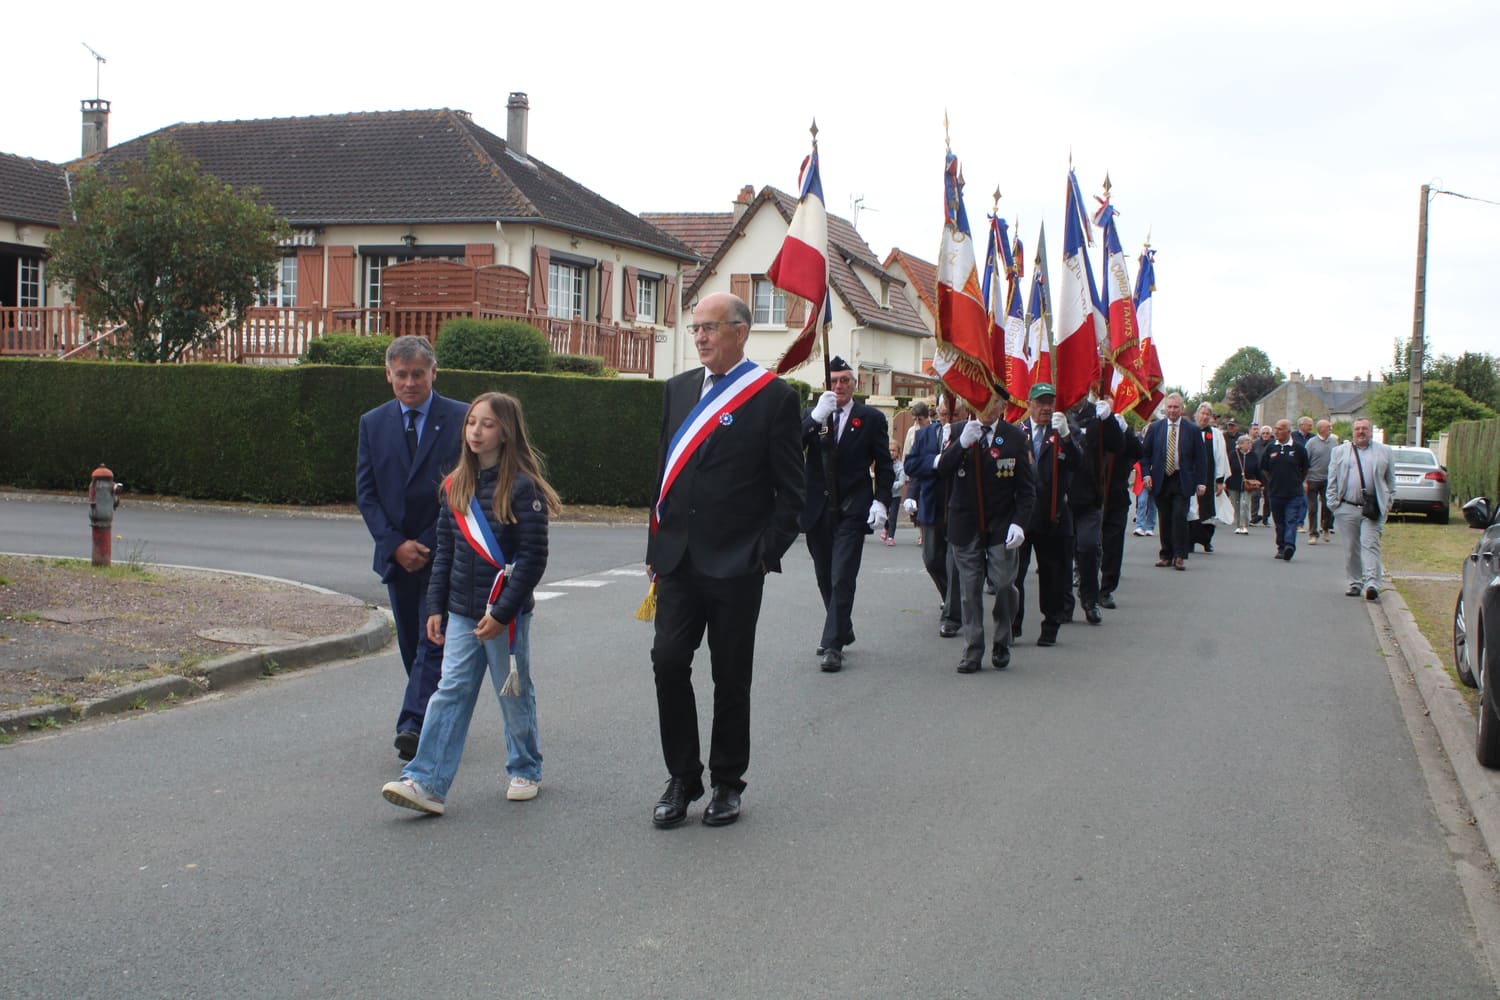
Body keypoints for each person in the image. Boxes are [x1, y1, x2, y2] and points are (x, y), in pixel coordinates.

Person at [646, 292, 803, 828]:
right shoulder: (678, 390)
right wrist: (655, 546)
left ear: (740, 331)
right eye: (695, 329)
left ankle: (727, 781)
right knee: (667, 661)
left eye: (711, 328)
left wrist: (765, 554)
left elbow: (793, 492)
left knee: (730, 677)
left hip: (738, 565)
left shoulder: (773, 396)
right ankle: (682, 776)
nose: (701, 338)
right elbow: (664, 475)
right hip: (677, 562)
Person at [381, 392, 559, 816]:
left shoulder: (523, 489)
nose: (476, 431)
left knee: (511, 691)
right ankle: (426, 781)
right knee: (450, 691)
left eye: (488, 424)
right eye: (471, 423)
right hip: (461, 610)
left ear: (506, 432)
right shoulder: (453, 485)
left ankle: (525, 768)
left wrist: (502, 614)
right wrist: (435, 606)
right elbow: (445, 551)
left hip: (504, 615)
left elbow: (533, 558)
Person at [356, 335, 469, 761]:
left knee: (432, 638)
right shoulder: (372, 423)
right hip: (396, 557)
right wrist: (394, 545)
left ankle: (413, 723)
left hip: (443, 552)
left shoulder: (460, 419)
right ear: (388, 375)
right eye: (400, 375)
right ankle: (431, 712)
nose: (409, 383)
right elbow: (366, 494)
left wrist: (424, 542)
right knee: (410, 643)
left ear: (433, 373)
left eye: (417, 374)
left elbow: (463, 488)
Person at [800, 356, 894, 672]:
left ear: (855, 385)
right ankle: (841, 627)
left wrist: (882, 502)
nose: (839, 386)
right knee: (825, 576)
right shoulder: (815, 414)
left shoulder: (870, 419)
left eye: (845, 381)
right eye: (834, 380)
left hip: (853, 508)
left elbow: (883, 465)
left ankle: (833, 645)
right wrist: (815, 417)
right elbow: (791, 445)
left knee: (842, 577)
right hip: (817, 509)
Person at [938, 391, 1035, 672]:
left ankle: (1002, 639)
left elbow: (1027, 489)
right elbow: (942, 469)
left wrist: (1020, 522)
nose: (989, 408)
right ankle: (972, 649)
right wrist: (961, 444)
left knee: (1004, 584)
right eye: (983, 402)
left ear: (1004, 406)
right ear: (971, 403)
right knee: (969, 592)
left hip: (1001, 526)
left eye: (995, 403)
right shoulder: (958, 431)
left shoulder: (1015, 437)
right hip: (965, 524)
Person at [1014, 383, 1079, 646]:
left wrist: (1066, 438)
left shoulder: (1064, 432)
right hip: (1022, 516)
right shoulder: (1017, 433)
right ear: (1029, 403)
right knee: (1014, 576)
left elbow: (1078, 463)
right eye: (1040, 402)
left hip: (1054, 516)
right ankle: (1013, 624)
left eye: (1050, 402)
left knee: (1052, 577)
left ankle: (1050, 626)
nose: (1046, 407)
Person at [903, 396, 963, 637]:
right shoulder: (926, 435)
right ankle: (953, 597)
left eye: (954, 414)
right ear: (936, 412)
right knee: (931, 559)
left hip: (959, 507)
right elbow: (912, 465)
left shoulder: (968, 434)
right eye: (944, 414)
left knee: (954, 561)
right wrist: (936, 461)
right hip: (932, 506)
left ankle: (952, 615)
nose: (948, 419)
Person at [1065, 397, 1124, 624]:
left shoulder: (1096, 414)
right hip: (1062, 497)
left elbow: (1117, 446)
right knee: (1061, 555)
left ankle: (1090, 600)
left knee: (1088, 547)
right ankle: (1063, 602)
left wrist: (1108, 420)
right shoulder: (1058, 409)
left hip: (1090, 496)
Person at [1327, 417, 1396, 600]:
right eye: (1357, 429)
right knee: (1351, 548)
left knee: (1370, 544)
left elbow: (1390, 480)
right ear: (1353, 431)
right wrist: (1333, 504)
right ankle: (1355, 582)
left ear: (1371, 431)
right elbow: (1332, 479)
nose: (1361, 432)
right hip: (1347, 507)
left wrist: (1388, 503)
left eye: (1364, 428)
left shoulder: (1384, 452)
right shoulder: (1339, 451)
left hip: (1373, 509)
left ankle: (1372, 583)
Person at [1140, 392, 1207, 570]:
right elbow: (1145, 455)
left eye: (1176, 407)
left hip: (1182, 479)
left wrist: (1201, 481)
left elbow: (1201, 458)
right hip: (1161, 479)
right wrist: (1146, 474)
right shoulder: (1155, 428)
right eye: (1169, 407)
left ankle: (1179, 555)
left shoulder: (1192, 430)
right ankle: (1166, 554)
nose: (1172, 410)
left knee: (1179, 516)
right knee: (1165, 517)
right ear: (1165, 409)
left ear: (1182, 409)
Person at [1098, 412, 1139, 609]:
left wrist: (1126, 430)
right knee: (1087, 546)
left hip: (1116, 497)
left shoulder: (1123, 432)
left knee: (1113, 546)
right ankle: (1086, 586)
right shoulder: (1091, 422)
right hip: (1091, 497)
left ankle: (1106, 590)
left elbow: (1138, 451)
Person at [1261, 419, 1310, 561]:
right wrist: (1272, 480)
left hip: (1294, 493)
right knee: (1279, 522)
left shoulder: (1299, 449)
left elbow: (1305, 469)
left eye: (1280, 429)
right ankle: (1281, 547)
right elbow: (1264, 468)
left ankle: (1289, 545)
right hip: (1275, 492)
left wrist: (1297, 481)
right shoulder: (1271, 448)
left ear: (1288, 431)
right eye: (1275, 428)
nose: (1276, 431)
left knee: (1291, 519)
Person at [1187, 403, 1229, 554]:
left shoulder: (1215, 434)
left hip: (1208, 477)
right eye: (1202, 413)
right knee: (1191, 510)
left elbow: (1220, 456)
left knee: (1208, 510)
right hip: (1191, 476)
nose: (1204, 417)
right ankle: (1189, 541)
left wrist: (1220, 480)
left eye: (1207, 414)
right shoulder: (1189, 430)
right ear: (1197, 415)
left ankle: (1206, 540)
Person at [1304, 419, 1338, 544]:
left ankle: (1326, 527)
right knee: (1313, 508)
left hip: (1328, 479)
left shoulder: (1334, 442)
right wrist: (1305, 481)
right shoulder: (1311, 443)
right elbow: (1305, 462)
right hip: (1313, 479)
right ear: (1321, 429)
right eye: (1328, 427)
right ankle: (1313, 533)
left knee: (1327, 506)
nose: (1331, 429)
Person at [1224, 434, 1261, 535]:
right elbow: (1227, 468)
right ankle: (1238, 525)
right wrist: (1224, 482)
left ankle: (1244, 525)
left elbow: (1257, 469)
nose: (1249, 444)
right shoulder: (1232, 454)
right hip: (1233, 483)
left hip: (1248, 484)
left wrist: (1261, 482)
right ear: (1240, 444)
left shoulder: (1253, 455)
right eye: (1247, 442)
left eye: (1250, 442)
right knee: (1236, 505)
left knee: (1244, 504)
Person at [1249, 423, 1274, 525]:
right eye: (1263, 433)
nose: (1265, 435)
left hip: (1269, 474)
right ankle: (1254, 517)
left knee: (1268, 497)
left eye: (1267, 433)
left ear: (1270, 434)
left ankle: (1265, 518)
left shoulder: (1274, 444)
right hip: (1257, 473)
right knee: (1255, 495)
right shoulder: (1255, 444)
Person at [883, 441, 906, 546]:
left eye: (894, 450)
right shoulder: (884, 464)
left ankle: (891, 537)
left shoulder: (900, 466)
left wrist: (890, 485)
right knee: (886, 514)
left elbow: (901, 482)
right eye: (889, 450)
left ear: (898, 452)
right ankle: (885, 528)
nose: (891, 453)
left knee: (893, 516)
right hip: (885, 494)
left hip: (895, 495)